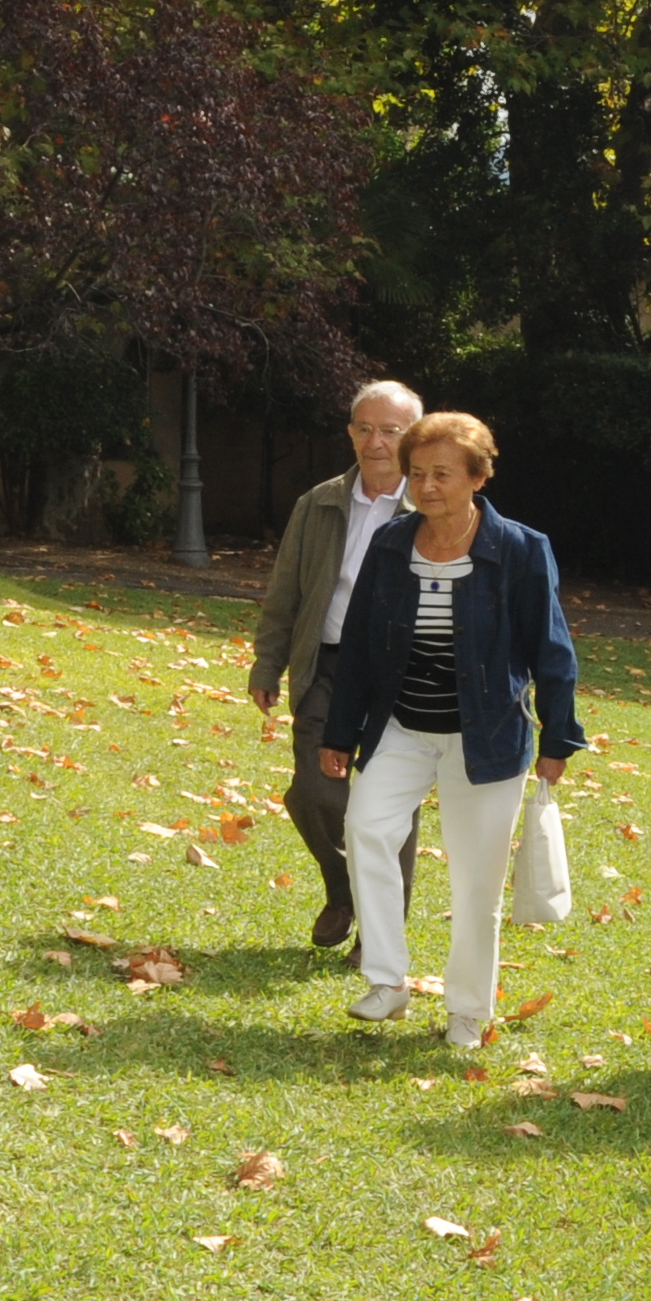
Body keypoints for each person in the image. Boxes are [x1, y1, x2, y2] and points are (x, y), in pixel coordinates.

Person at [316, 411, 582, 1051]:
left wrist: (558, 740)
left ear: (477, 477)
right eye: (416, 473)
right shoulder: (390, 543)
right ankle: (387, 980)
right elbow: (355, 647)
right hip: (402, 727)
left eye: (441, 474)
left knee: (475, 881)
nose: (426, 486)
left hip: (487, 738)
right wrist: (340, 731)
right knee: (367, 828)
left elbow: (552, 650)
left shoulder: (521, 549)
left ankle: (468, 1010)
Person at [247, 378, 427, 955]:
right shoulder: (319, 503)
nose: (376, 443)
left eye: (391, 432)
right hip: (325, 665)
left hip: (399, 675)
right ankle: (346, 889)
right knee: (314, 793)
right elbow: (285, 595)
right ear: (351, 433)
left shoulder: (431, 507)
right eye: (365, 429)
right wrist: (267, 663)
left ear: (413, 438)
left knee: (390, 802)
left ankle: (380, 935)